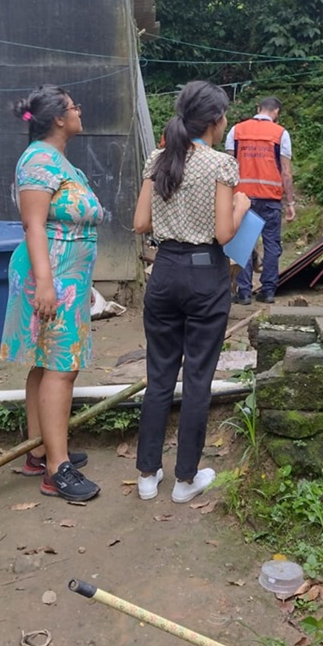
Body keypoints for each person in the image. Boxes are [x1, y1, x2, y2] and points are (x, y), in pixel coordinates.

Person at [133, 81, 250, 503]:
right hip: (204, 275)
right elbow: (223, 234)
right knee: (198, 378)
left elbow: (141, 223)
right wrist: (241, 206)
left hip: (164, 270)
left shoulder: (159, 158)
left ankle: (147, 475)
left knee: (159, 376)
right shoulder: (221, 164)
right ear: (216, 120)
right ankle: (185, 480)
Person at [0, 86, 103, 502]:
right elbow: (34, 225)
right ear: (59, 118)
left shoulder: (59, 161)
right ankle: (57, 471)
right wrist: (45, 282)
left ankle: (40, 450)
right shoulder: (39, 160)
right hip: (51, 277)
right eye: (74, 107)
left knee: (46, 363)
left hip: (65, 277)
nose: (79, 111)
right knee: (62, 367)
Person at [225, 97, 295, 305]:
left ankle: (244, 293)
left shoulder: (236, 131)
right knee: (272, 244)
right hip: (270, 198)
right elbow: (286, 172)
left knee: (243, 243)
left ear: (258, 109)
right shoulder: (281, 133)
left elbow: (228, 166)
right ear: (276, 112)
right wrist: (290, 202)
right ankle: (268, 291)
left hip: (242, 197)